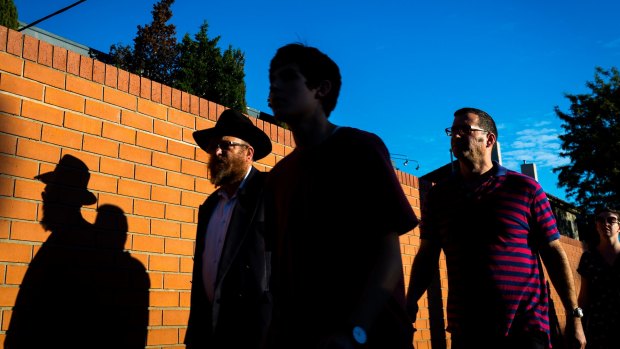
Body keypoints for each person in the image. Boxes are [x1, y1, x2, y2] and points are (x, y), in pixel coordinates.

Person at [264, 43, 419, 349]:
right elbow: (278, 266)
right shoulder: (278, 177)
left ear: (321, 89)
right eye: (272, 81)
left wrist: (355, 330)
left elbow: (389, 257)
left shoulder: (361, 149)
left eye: (288, 77)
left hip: (373, 337)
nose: (274, 88)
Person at [406, 107, 587, 349]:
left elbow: (553, 253)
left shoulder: (525, 189)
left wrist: (574, 317)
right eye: (453, 130)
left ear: (489, 139)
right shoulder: (439, 196)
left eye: (464, 129)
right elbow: (427, 255)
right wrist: (410, 303)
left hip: (526, 327)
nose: (456, 136)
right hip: (468, 329)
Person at [185, 109, 273, 349]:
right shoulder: (210, 206)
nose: (217, 151)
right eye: (214, 146)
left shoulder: (270, 193)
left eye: (226, 145)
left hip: (255, 337)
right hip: (209, 335)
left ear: (249, 154)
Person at [577, 206, 620, 349]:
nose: (605, 223)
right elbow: (584, 297)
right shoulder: (589, 258)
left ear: (619, 227)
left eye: (611, 220)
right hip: (598, 330)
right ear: (596, 226)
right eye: (600, 220)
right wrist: (578, 327)